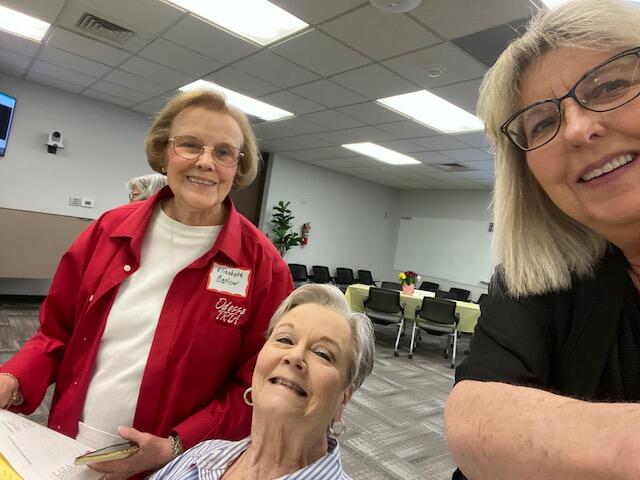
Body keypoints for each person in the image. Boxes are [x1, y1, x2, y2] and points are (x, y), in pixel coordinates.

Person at [0, 89, 294, 480]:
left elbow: (257, 387)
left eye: (224, 152)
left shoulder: (264, 268)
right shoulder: (108, 231)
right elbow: (56, 333)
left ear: (238, 167)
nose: (205, 162)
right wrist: (12, 378)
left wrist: (175, 447)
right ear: (164, 151)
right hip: (69, 448)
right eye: (190, 144)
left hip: (173, 467)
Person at [444, 1, 640, 479]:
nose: (577, 129)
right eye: (543, 123)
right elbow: (474, 419)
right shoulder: (535, 280)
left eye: (610, 86)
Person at [148, 283, 375, 480]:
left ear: (345, 397)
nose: (295, 356)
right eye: (285, 339)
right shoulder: (199, 457)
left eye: (322, 353)